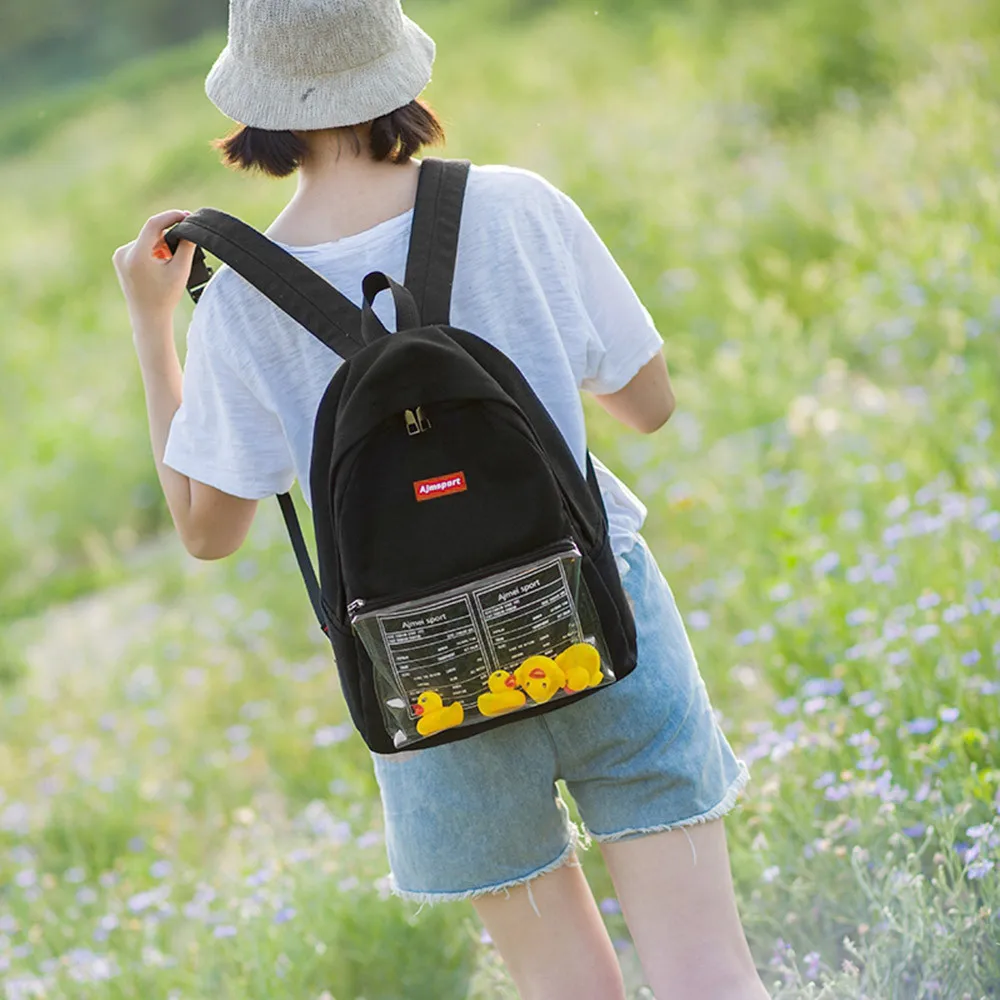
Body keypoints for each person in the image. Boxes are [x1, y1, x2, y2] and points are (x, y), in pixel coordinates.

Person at [112, 2, 769, 997]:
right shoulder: (517, 205)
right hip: (603, 615)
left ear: (256, 107)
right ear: (398, 70)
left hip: (426, 680)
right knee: (709, 977)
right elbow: (649, 405)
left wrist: (153, 328)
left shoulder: (240, 302)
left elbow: (208, 530)